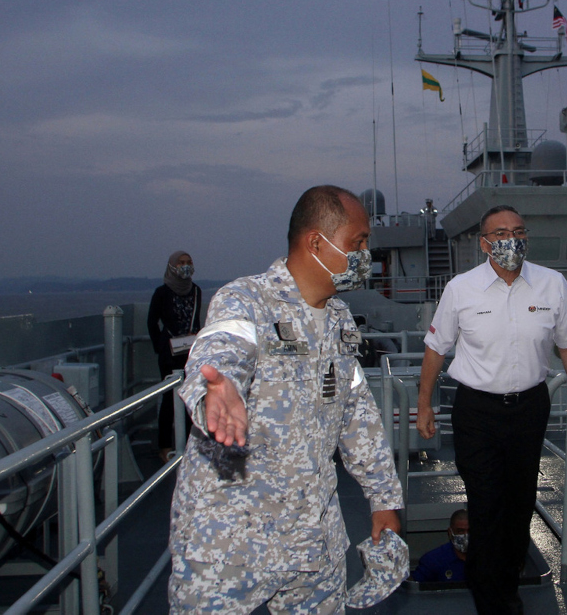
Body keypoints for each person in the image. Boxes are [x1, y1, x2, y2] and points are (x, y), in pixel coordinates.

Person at [168, 185, 404, 613]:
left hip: (314, 539)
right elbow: (223, 347)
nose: (365, 255)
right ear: (316, 243)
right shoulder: (247, 300)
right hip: (231, 543)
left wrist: (384, 497)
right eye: (358, 243)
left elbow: (357, 414)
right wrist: (217, 388)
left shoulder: (340, 320)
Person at [416, 205, 567, 615]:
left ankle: (504, 587)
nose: (510, 240)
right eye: (500, 233)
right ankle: (494, 603)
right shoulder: (461, 289)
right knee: (487, 505)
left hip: (529, 409)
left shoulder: (552, 284)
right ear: (484, 244)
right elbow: (435, 349)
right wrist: (424, 405)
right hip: (476, 412)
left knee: (519, 505)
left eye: (518, 231)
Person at [147, 251, 201, 462]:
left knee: (192, 397)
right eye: (181, 263)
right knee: (169, 400)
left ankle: (189, 443)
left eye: (189, 262)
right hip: (169, 354)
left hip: (190, 352)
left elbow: (196, 320)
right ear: (172, 266)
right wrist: (160, 346)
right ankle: (165, 446)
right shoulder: (162, 293)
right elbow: (152, 322)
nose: (185, 266)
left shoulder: (195, 291)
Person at [411, 509, 469, 583]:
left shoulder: (483, 557)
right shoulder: (433, 560)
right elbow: (415, 586)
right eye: (460, 531)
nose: (465, 535)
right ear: (450, 532)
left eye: (470, 531)